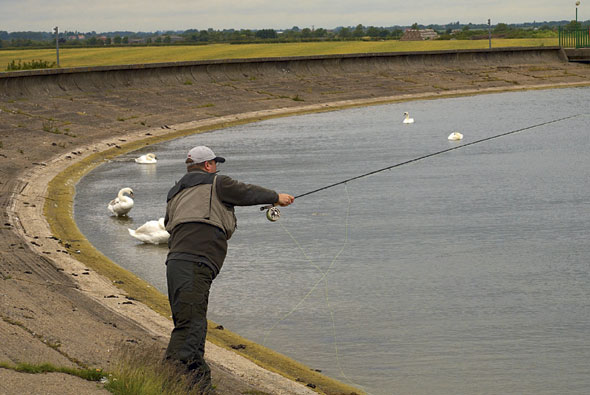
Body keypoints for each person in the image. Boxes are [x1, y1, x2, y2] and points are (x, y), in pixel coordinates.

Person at [163, 145, 294, 392]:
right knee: (192, 325)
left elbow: (167, 223)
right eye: (215, 164)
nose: (216, 168)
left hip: (177, 262)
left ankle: (188, 385)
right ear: (208, 165)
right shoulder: (218, 183)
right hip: (195, 261)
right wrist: (277, 197)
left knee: (189, 322)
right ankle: (183, 382)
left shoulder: (175, 193)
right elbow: (246, 192)